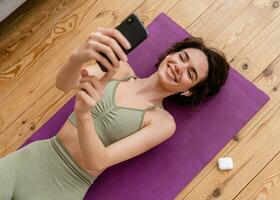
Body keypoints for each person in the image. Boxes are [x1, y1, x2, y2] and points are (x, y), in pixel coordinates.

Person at [0, 27, 230, 199]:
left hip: (66, 187)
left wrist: (84, 115)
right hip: (36, 157)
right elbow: (64, 83)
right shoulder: (120, 68)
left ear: (189, 91)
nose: (179, 67)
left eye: (190, 73)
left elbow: (99, 161)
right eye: (182, 57)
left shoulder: (162, 122)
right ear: (171, 55)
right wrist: (79, 56)